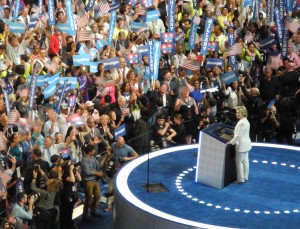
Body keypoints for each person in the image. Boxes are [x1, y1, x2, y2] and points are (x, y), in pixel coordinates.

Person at [227, 106, 252, 184]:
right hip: (246, 144)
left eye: (238, 112)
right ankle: (245, 177)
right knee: (245, 161)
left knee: (239, 162)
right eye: (236, 112)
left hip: (241, 145)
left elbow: (239, 136)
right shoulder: (246, 121)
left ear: (243, 113)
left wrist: (231, 142)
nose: (236, 114)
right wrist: (234, 135)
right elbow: (240, 134)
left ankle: (240, 179)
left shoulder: (242, 123)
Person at [80, 145, 104, 221]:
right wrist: (98, 174)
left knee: (97, 196)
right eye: (93, 150)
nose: (95, 151)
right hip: (88, 181)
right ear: (89, 152)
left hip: (94, 180)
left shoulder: (93, 158)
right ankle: (85, 216)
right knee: (89, 199)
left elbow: (99, 165)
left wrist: (106, 156)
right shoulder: (84, 160)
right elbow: (87, 172)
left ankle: (93, 211)